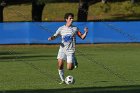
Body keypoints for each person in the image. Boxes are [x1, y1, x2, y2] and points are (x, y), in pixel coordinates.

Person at [48, 13, 88, 84]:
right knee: (60, 65)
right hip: (62, 49)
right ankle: (63, 80)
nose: (72, 19)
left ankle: (74, 60)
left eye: (72, 18)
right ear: (66, 19)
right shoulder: (61, 28)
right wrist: (51, 38)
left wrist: (86, 32)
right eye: (70, 18)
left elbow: (82, 37)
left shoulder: (75, 28)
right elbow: (55, 35)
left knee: (69, 68)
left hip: (70, 50)